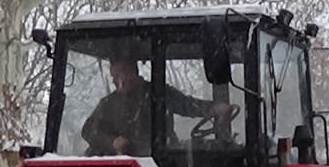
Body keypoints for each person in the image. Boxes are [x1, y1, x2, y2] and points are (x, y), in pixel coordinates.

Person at [81, 57, 231, 156]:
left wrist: (213, 108)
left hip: (162, 153)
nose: (114, 81)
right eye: (113, 78)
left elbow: (186, 104)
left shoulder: (158, 93)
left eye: (117, 76)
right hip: (135, 163)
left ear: (131, 72)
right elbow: (88, 130)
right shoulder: (109, 103)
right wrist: (112, 142)